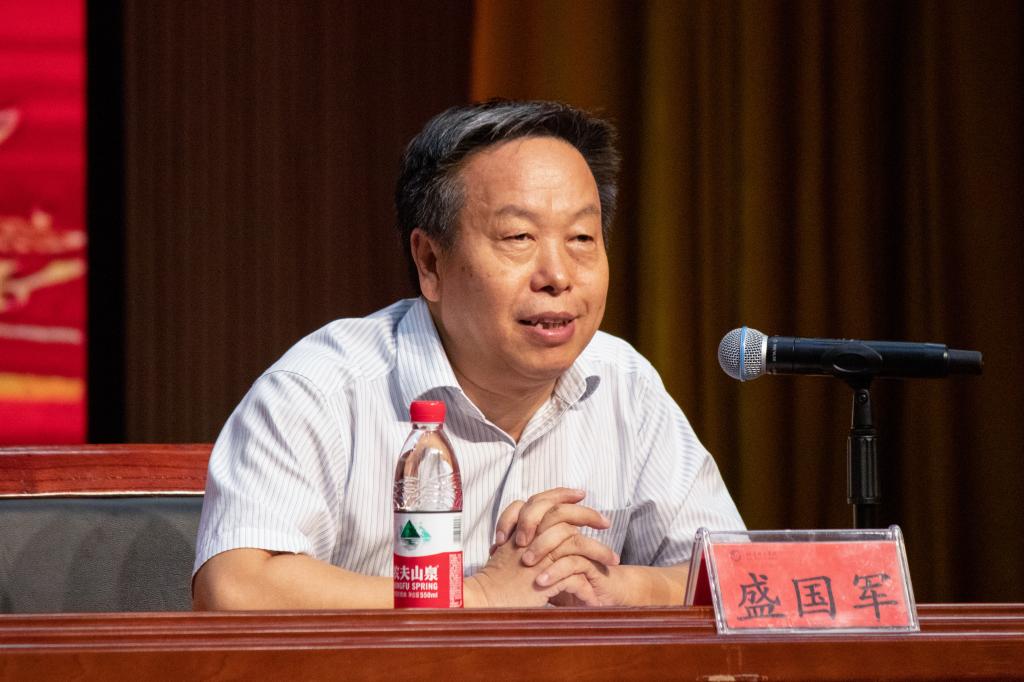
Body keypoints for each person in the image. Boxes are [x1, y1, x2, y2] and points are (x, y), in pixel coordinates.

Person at [192, 100, 743, 610]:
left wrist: (615, 585)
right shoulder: (322, 389)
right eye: (519, 237)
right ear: (430, 263)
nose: (558, 275)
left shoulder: (625, 383)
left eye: (581, 238)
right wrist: (478, 598)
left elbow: (740, 576)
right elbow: (233, 588)